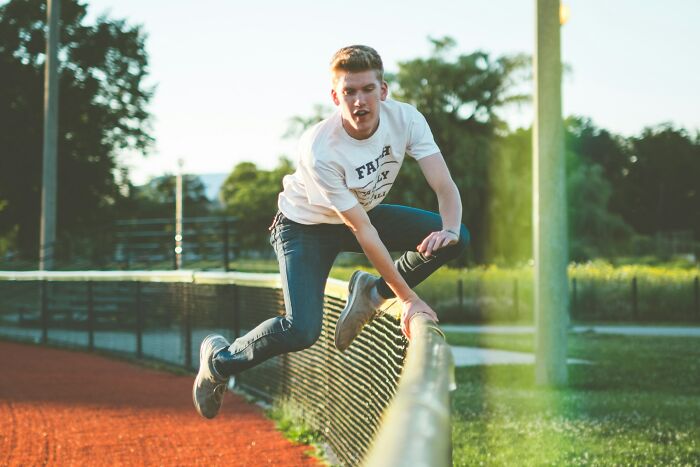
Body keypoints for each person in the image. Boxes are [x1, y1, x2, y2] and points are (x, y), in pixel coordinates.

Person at [193, 45, 469, 419]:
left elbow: (444, 186)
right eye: (350, 91)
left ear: (383, 91)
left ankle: (372, 291)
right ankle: (219, 363)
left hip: (362, 214)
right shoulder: (321, 148)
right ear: (335, 96)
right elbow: (364, 232)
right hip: (304, 227)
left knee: (458, 237)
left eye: (368, 89)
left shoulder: (406, 119)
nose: (360, 101)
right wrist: (408, 299)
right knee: (302, 329)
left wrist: (448, 229)